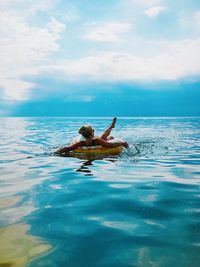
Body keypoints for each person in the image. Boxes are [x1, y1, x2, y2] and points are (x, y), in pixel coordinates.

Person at [55, 117, 129, 154]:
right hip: (100, 144)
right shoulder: (96, 140)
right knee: (106, 137)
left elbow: (68, 148)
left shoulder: (81, 143)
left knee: (104, 137)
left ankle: (112, 126)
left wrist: (56, 152)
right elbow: (110, 145)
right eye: (93, 130)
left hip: (98, 144)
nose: (94, 131)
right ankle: (111, 126)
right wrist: (122, 143)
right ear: (91, 134)